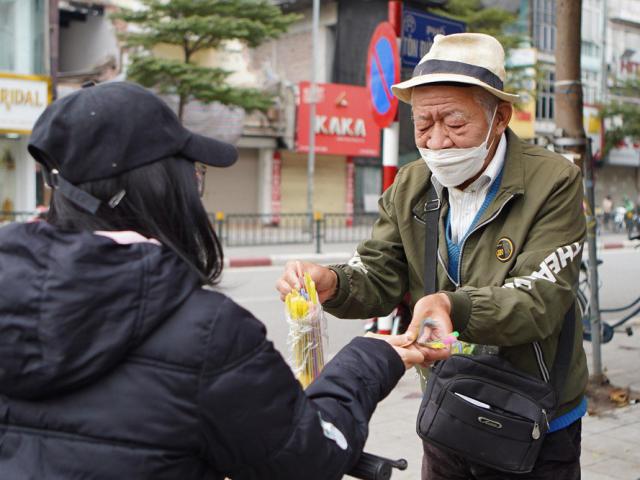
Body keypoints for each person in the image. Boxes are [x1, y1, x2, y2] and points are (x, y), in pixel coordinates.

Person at [0, 82, 427, 479]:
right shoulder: (208, 332)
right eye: (192, 175)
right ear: (160, 186)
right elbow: (308, 457)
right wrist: (369, 359)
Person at [277, 33, 588, 479]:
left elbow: (540, 298)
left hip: (535, 412)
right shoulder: (410, 186)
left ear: (500, 117)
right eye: (424, 124)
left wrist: (450, 305)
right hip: (447, 405)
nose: (437, 141)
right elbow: (380, 271)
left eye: (454, 123)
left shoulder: (553, 181)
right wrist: (333, 282)